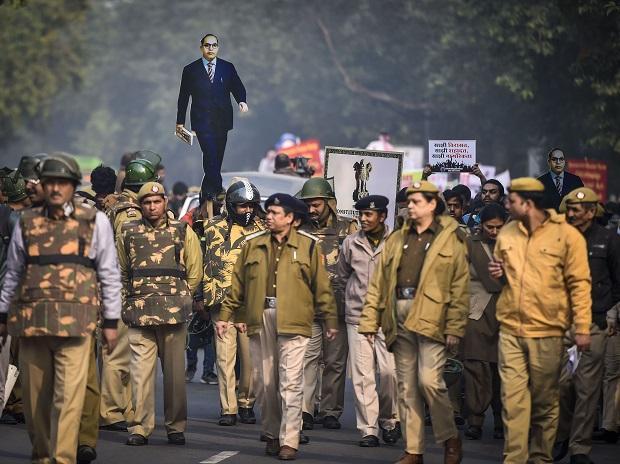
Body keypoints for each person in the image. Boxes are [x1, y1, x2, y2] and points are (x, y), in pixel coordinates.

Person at [0, 153, 121, 464]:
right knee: (36, 403)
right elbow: (13, 272)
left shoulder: (96, 222)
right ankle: (43, 454)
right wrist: (3, 315)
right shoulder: (26, 223)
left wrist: (110, 321)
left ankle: (64, 458)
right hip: (34, 325)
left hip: (76, 326)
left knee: (69, 398)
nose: (55, 189)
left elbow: (108, 272)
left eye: (62, 183)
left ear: (73, 186)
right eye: (50, 182)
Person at [217, 193, 338, 461]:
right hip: (260, 318)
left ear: (291, 219)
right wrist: (226, 315)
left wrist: (330, 318)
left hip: (294, 318)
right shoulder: (252, 244)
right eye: (268, 212)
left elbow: (322, 287)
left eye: (274, 212)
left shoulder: (309, 246)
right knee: (266, 382)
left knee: (291, 382)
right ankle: (272, 433)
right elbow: (237, 284)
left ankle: (289, 439)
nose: (268, 216)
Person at [359, 180, 468, 464]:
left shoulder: (451, 236)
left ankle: (449, 438)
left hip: (433, 315)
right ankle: (413, 450)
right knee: (406, 386)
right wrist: (370, 320)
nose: (410, 206)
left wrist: (455, 326)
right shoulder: (397, 237)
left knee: (429, 381)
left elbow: (460, 284)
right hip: (398, 313)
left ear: (432, 204)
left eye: (417, 201)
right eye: (408, 201)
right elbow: (379, 283)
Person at [489, 177, 591, 464]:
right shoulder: (507, 233)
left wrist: (582, 328)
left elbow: (580, 284)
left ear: (528, 203)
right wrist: (500, 274)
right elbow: (506, 279)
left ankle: (540, 458)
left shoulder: (567, 236)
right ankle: (515, 459)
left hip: (548, 332)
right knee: (513, 401)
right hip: (510, 328)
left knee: (546, 403)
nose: (506, 205)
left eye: (511, 200)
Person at [117, 182, 202, 446]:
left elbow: (195, 270)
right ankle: (140, 427)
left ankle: (175, 427)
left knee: (175, 375)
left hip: (173, 314)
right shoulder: (127, 232)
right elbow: (121, 271)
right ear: (140, 205)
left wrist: (183, 296)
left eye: (157, 201)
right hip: (139, 313)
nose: (152, 207)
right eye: (147, 202)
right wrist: (124, 300)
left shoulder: (182, 230)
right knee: (140, 374)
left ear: (165, 202)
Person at [554, 187, 620, 464]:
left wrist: (607, 309)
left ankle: (579, 448)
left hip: (593, 324)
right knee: (560, 385)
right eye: (569, 209)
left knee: (587, 388)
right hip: (560, 324)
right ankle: (560, 436)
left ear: (592, 212)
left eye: (577, 210)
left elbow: (618, 281)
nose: (571, 214)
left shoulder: (609, 240)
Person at [99, 152, 160, 433]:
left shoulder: (117, 205)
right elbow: (133, 251)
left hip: (120, 290)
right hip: (123, 291)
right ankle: (112, 411)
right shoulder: (130, 213)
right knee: (118, 354)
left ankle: (121, 408)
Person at [335, 195, 400, 447]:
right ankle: (369, 429)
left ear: (382, 216)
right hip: (357, 316)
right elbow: (342, 277)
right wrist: (351, 299)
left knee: (390, 372)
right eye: (361, 214)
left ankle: (390, 420)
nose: (363, 219)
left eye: (368, 215)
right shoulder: (351, 243)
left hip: (388, 317)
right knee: (363, 376)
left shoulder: (397, 241)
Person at [297, 178, 358, 431]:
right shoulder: (300, 229)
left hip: (338, 307)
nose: (312, 209)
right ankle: (305, 410)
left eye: (316, 204)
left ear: (330, 203)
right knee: (307, 359)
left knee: (334, 361)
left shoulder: (348, 228)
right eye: (308, 204)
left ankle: (331, 411)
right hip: (308, 306)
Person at [203, 180, 264, 426]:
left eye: (251, 206)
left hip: (251, 305)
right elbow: (200, 259)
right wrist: (200, 297)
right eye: (242, 206)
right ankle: (228, 409)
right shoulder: (210, 227)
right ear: (230, 205)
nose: (247, 211)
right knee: (224, 358)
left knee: (251, 361)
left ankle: (246, 402)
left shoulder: (263, 229)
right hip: (221, 303)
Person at [176, 33, 248, 200]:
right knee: (210, 153)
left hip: (222, 120)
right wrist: (180, 122)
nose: (210, 48)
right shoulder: (190, 70)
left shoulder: (227, 67)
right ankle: (217, 189)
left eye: (214, 45)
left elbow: (237, 86)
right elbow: (183, 97)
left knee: (217, 156)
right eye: (207, 45)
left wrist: (242, 101)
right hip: (201, 122)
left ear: (218, 47)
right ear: (201, 47)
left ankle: (206, 193)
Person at [462, 203, 507, 441]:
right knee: (476, 369)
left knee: (503, 372)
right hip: (476, 312)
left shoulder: (514, 245)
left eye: (499, 227)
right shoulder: (471, 243)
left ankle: (501, 420)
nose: (494, 232)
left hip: (506, 314)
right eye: (490, 227)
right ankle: (475, 420)